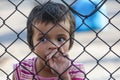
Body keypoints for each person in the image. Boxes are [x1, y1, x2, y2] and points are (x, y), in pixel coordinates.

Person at [13, 1, 85, 80]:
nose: (53, 46)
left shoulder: (76, 70)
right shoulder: (22, 70)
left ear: (70, 41)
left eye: (61, 39)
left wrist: (64, 76)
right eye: (43, 39)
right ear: (31, 41)